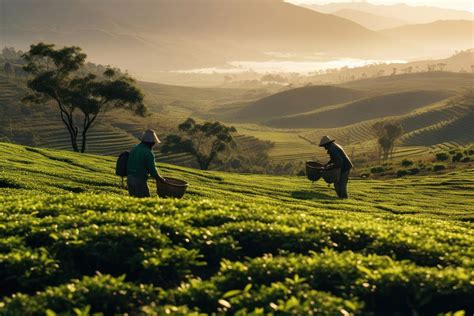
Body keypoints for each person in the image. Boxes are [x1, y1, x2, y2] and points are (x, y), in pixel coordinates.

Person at [126, 130, 166, 198]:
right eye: (153, 143)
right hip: (139, 180)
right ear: (151, 143)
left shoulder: (135, 148)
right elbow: (152, 170)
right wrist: (160, 179)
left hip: (130, 178)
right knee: (144, 200)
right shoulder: (148, 153)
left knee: (134, 201)